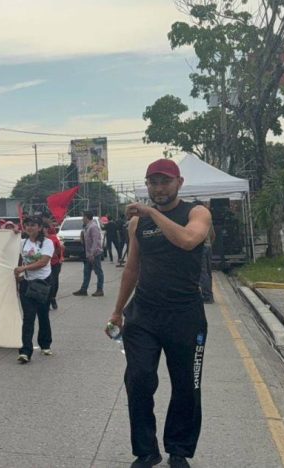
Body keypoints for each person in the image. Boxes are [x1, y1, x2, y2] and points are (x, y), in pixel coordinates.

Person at [107, 159, 212, 468]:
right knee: (138, 379)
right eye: (153, 182)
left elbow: (188, 240)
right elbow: (132, 268)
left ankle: (178, 450)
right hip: (144, 314)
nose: (158, 187)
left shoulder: (197, 212)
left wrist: (152, 212)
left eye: (164, 181)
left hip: (185, 315)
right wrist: (117, 311)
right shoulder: (138, 224)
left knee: (186, 386)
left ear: (179, 183)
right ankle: (146, 451)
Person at [14, 216, 54, 363]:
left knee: (43, 314)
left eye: (33, 225)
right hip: (27, 283)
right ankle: (25, 351)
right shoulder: (22, 242)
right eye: (27, 225)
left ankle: (45, 344)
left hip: (43, 282)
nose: (30, 227)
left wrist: (24, 268)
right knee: (28, 317)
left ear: (39, 227)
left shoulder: (47, 243)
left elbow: (43, 262)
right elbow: (16, 258)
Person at [73, 211, 104, 297]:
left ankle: (100, 289)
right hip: (88, 254)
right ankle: (83, 289)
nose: (82, 219)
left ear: (86, 217)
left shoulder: (93, 227)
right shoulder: (87, 227)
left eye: (83, 217)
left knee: (98, 272)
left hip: (94, 254)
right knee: (86, 272)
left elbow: (96, 241)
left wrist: (92, 254)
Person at [46, 222, 64, 310]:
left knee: (54, 282)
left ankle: (53, 297)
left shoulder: (53, 237)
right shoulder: (38, 239)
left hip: (54, 263)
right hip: (44, 264)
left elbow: (60, 248)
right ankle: (48, 299)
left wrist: (58, 256)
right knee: (48, 282)